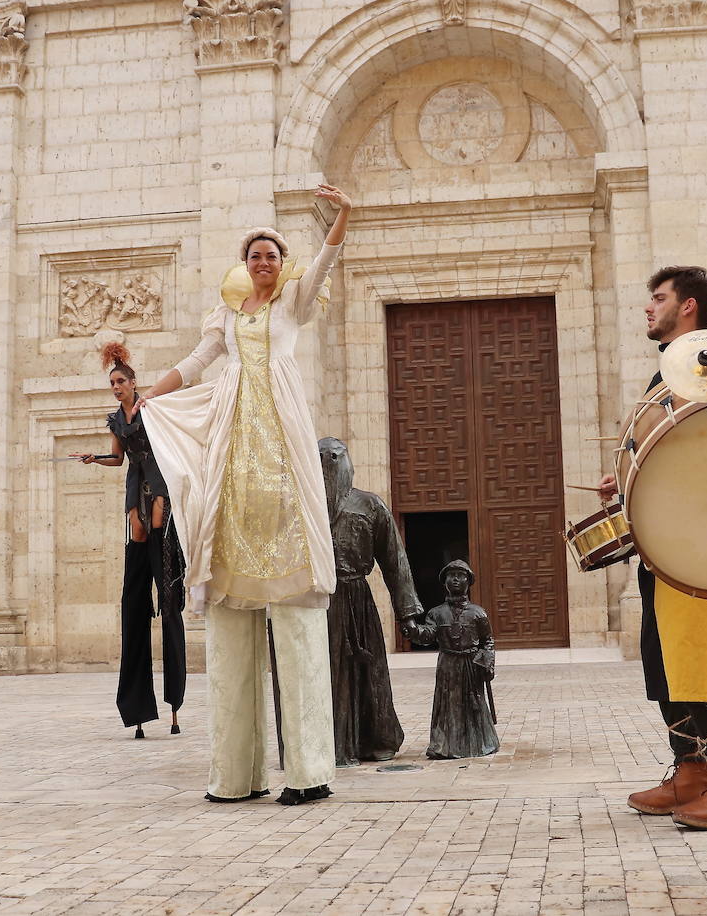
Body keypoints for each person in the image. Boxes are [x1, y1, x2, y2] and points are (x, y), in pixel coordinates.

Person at [139, 184, 353, 805]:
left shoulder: (294, 305)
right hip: (235, 456)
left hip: (281, 456)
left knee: (296, 616)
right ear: (244, 264)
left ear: (281, 265)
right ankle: (235, 775)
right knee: (231, 620)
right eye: (255, 255)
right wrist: (152, 392)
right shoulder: (227, 316)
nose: (263, 263)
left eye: (272, 256)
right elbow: (199, 359)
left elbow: (323, 266)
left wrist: (342, 216)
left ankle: (309, 771)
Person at [597, 266, 707, 831]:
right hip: (663, 541)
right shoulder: (665, 374)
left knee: (695, 660)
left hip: (702, 542)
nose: (648, 308)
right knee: (665, 660)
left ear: (689, 306)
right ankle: (693, 769)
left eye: (659, 298)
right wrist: (626, 478)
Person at [73, 342, 186, 739]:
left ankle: (175, 703)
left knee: (168, 599)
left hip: (158, 483)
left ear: (133, 382)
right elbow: (118, 459)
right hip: (134, 484)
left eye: (121, 381)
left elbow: (169, 445)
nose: (116, 387)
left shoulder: (150, 407)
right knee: (134, 581)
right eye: (113, 383)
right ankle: (138, 707)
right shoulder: (114, 421)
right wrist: (94, 459)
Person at [318, 436, 424, 765]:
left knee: (368, 671)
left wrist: (408, 613)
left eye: (336, 457)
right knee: (323, 675)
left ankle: (376, 738)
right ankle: (326, 744)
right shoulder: (304, 505)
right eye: (323, 458)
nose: (330, 464)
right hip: (318, 602)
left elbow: (395, 561)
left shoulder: (369, 505)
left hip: (357, 600)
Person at [406, 560, 499, 760]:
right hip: (448, 665)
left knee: (474, 704)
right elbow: (427, 635)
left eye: (461, 575)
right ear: (444, 581)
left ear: (469, 581)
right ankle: (444, 746)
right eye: (451, 575)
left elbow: (488, 641)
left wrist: (487, 663)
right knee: (447, 705)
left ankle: (480, 743)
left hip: (471, 664)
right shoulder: (436, 613)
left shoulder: (478, 612)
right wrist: (414, 629)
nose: (456, 579)